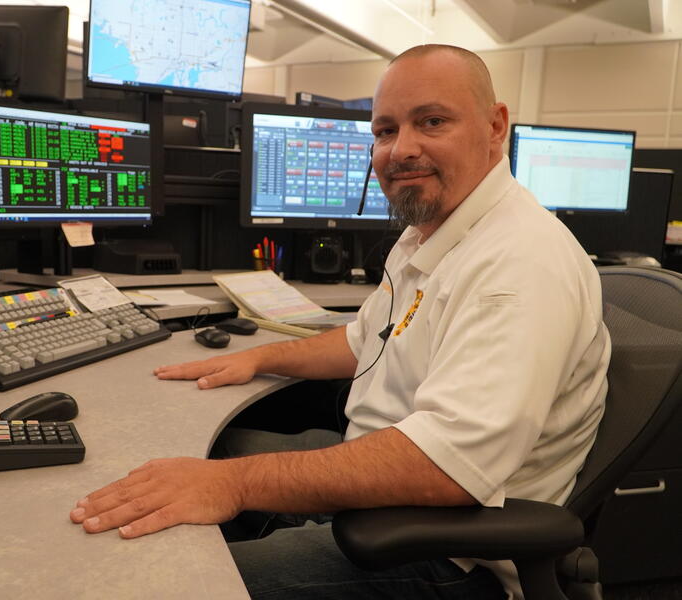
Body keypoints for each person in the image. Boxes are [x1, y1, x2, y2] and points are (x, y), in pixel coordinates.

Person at [69, 44, 610, 599]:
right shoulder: (435, 229)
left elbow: (443, 466)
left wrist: (232, 487)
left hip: (446, 553)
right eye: (384, 131)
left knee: (163, 584)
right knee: (211, 453)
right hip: (386, 494)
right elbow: (362, 339)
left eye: (432, 122)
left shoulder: (519, 264)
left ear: (495, 126)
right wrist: (259, 357)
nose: (401, 149)